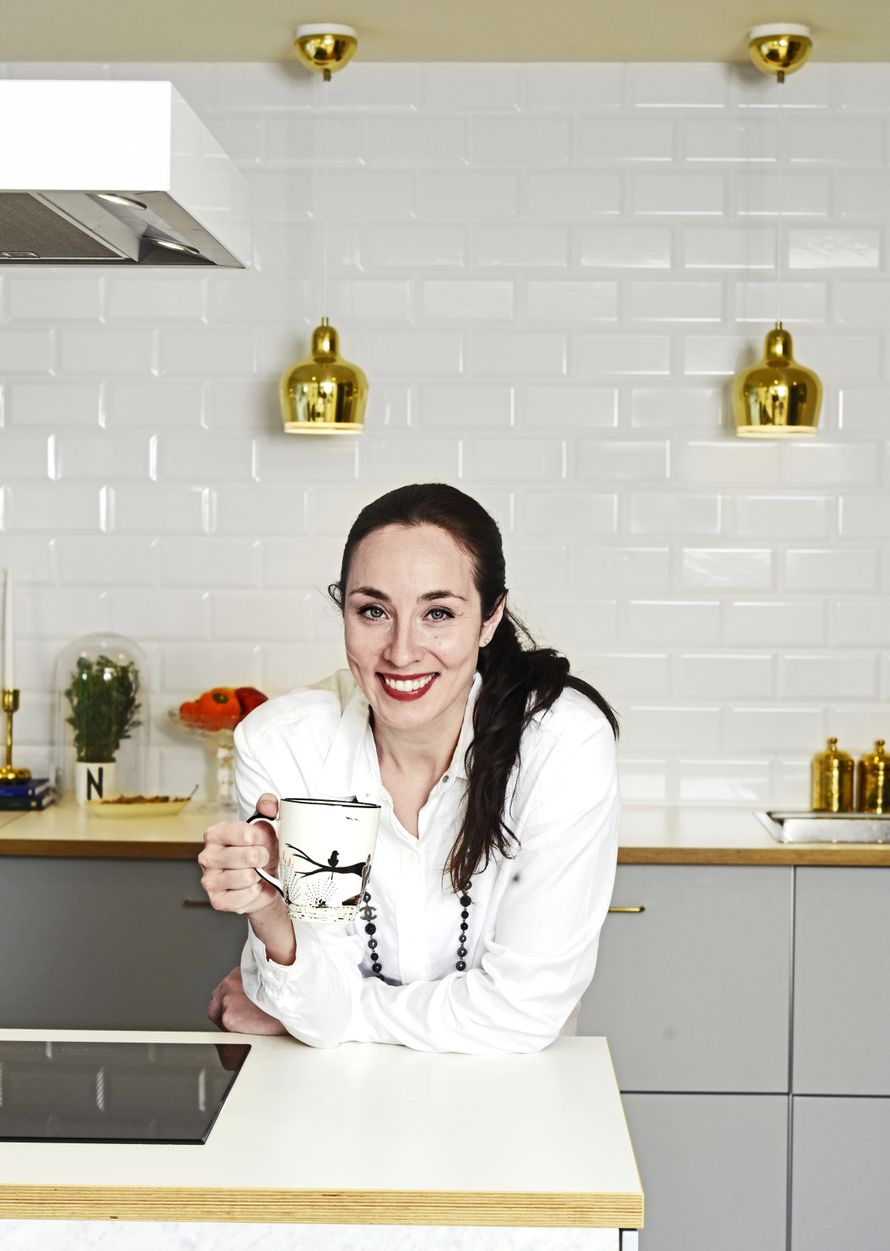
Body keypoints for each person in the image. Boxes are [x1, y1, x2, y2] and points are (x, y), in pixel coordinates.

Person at [199, 483, 620, 1054]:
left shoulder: (560, 742)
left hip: (511, 1089)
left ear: (490, 617)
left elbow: (523, 1012)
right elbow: (318, 1008)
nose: (401, 651)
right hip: (329, 1090)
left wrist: (331, 1012)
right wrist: (271, 911)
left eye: (437, 613)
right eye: (373, 611)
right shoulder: (286, 745)